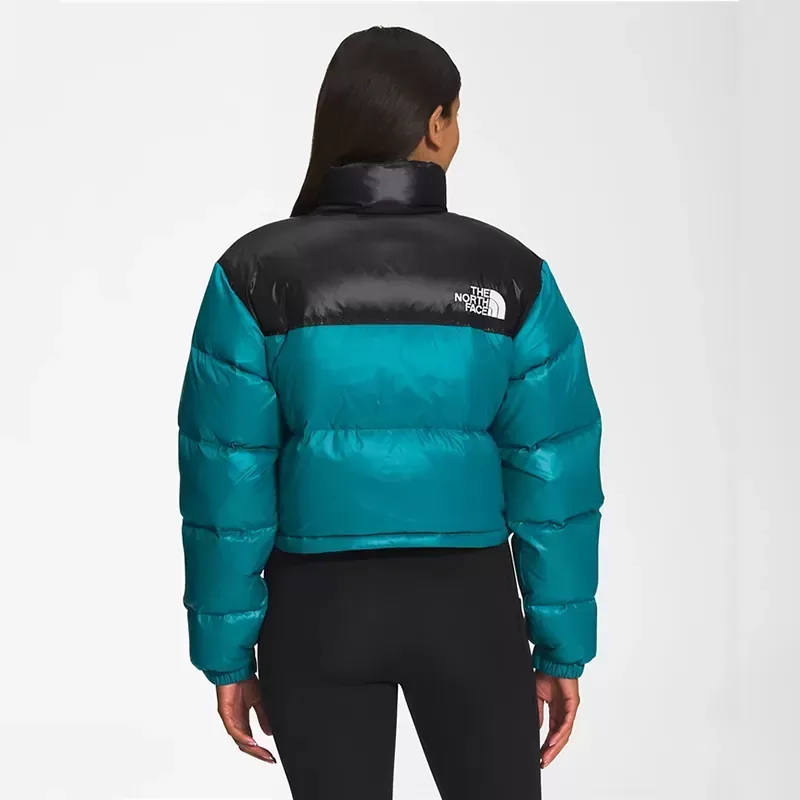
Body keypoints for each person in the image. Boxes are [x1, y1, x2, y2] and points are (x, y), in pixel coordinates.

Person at [178, 25, 603, 800]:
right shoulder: (513, 274)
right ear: (436, 123)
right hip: (470, 610)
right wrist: (561, 647)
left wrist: (227, 654)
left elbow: (226, 483)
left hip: (318, 613)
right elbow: (556, 472)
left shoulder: (253, 274)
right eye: (457, 114)